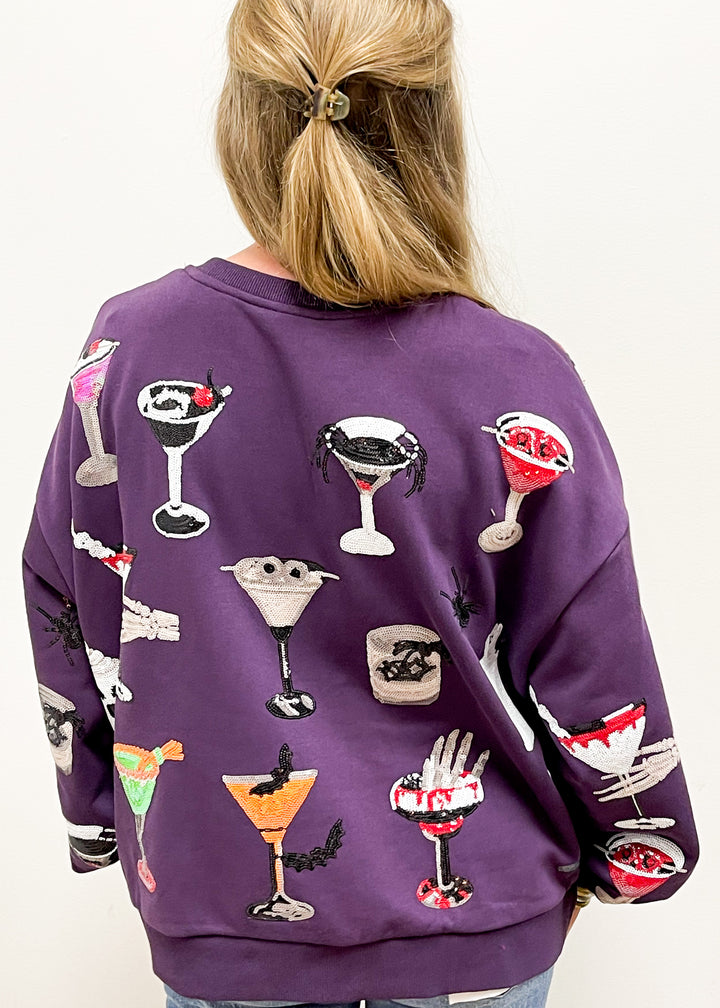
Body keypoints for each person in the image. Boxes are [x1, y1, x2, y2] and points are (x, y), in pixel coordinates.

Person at [21, 2, 699, 1007]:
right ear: (432, 119)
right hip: (481, 929)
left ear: (242, 117)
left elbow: (69, 592)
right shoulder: (514, 370)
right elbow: (590, 650)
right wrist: (639, 848)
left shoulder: (132, 345)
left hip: (221, 923)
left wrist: (100, 816)